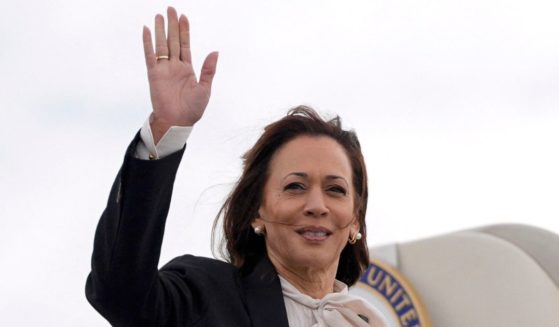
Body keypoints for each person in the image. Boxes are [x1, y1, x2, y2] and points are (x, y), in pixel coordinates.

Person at [85, 7, 388, 327]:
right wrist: (165, 130)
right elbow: (121, 294)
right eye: (295, 186)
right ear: (258, 211)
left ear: (355, 219)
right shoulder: (203, 296)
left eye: (335, 189)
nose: (316, 205)